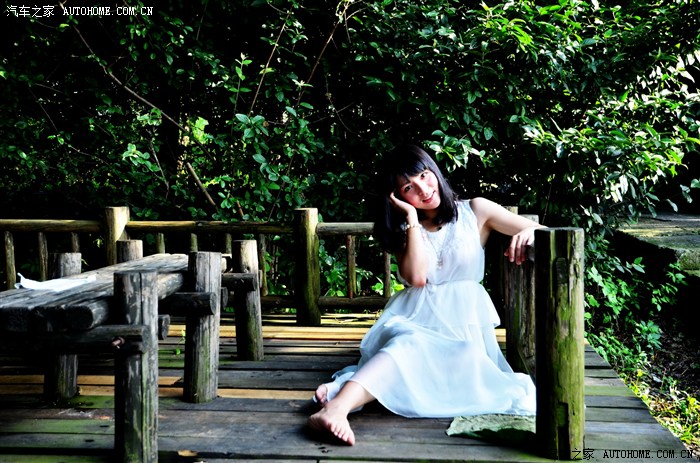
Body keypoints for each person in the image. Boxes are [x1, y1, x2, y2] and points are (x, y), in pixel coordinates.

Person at [307, 144, 545, 445]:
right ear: (397, 196)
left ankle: (348, 393)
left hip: (462, 326)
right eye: (408, 187)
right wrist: (411, 218)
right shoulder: (405, 229)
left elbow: (544, 231)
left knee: (443, 365)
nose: (422, 188)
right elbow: (417, 277)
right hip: (418, 318)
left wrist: (529, 231)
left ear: (434, 170)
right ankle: (336, 410)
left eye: (423, 175)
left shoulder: (476, 210)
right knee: (410, 345)